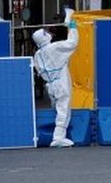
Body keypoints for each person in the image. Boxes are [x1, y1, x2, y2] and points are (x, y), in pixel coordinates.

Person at [32, 8, 79, 148]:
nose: (49, 34)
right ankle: (58, 137)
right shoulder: (54, 48)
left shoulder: (37, 55)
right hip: (61, 81)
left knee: (57, 108)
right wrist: (72, 26)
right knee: (63, 109)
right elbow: (73, 43)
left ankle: (56, 135)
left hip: (50, 84)